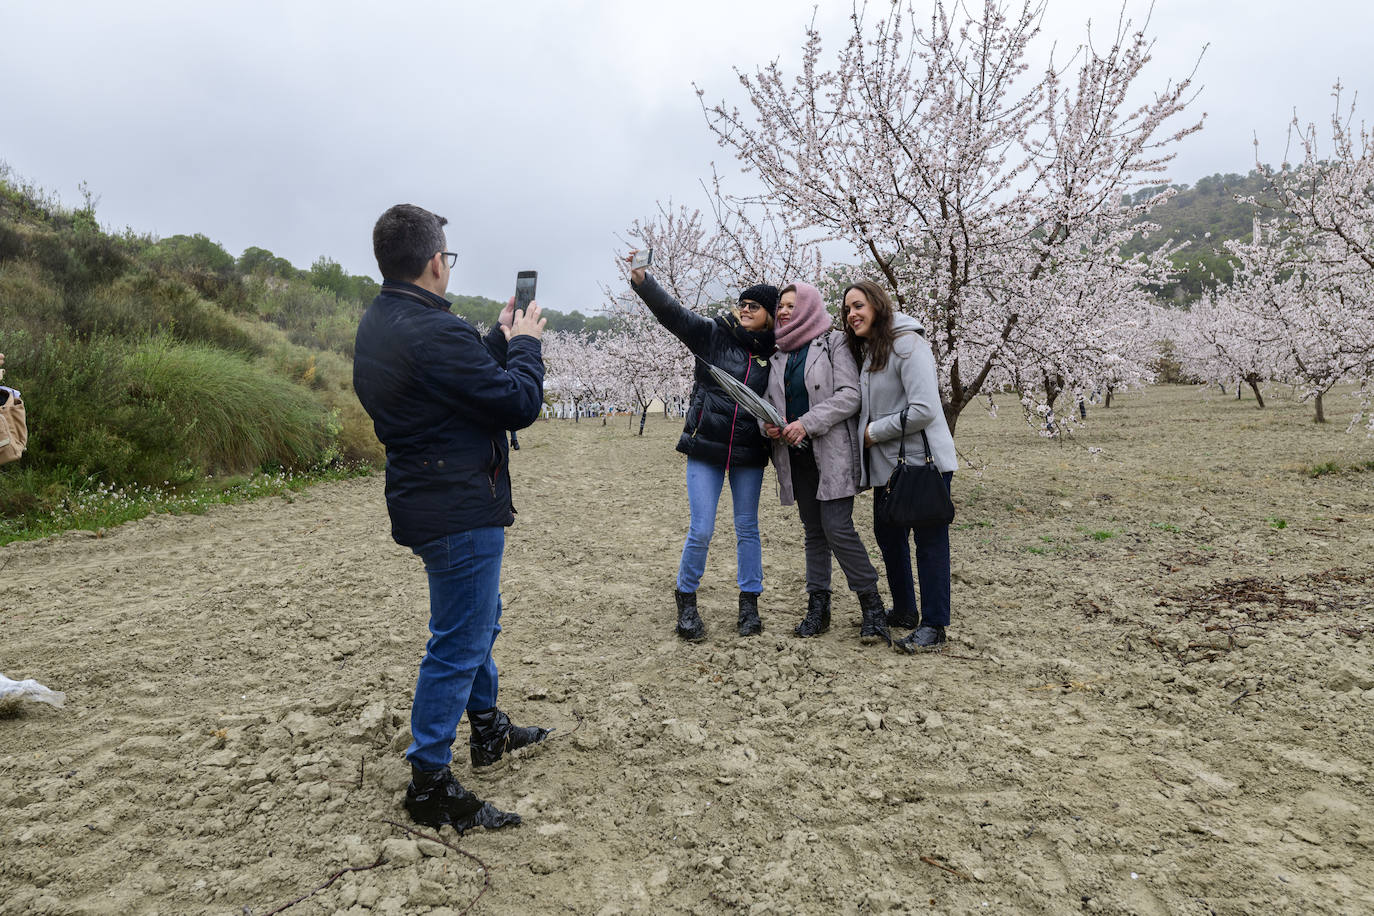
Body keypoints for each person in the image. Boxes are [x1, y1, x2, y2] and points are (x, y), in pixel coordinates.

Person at [354, 204, 550, 831]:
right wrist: (525, 345)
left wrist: (491, 340)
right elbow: (517, 401)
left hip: (426, 493)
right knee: (459, 639)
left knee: (476, 620)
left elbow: (446, 381)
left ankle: (488, 729)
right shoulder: (433, 331)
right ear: (437, 262)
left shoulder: (382, 321)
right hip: (458, 503)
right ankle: (429, 782)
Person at [629, 255, 777, 640]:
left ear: (771, 316)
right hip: (705, 446)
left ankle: (749, 604)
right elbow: (673, 315)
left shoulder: (775, 353)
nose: (744, 309)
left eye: (754, 306)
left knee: (748, 528)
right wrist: (645, 282)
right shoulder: (714, 334)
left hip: (748, 451)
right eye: (742, 303)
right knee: (702, 529)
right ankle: (687, 600)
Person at [762, 282, 887, 642]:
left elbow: (851, 396)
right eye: (781, 306)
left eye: (791, 305)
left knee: (837, 527)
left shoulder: (833, 343)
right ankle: (819, 608)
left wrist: (807, 423)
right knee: (814, 533)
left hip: (830, 452)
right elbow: (769, 401)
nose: (784, 312)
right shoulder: (779, 353)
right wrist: (766, 424)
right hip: (795, 456)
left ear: (809, 307)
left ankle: (872, 606)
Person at [843, 280, 957, 653]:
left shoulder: (907, 344)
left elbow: (925, 409)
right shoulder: (872, 350)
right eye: (846, 309)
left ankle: (935, 625)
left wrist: (873, 432)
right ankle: (906, 610)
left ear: (877, 305)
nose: (851, 314)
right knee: (889, 537)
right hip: (889, 469)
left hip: (923, 466)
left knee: (929, 542)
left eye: (858, 305)